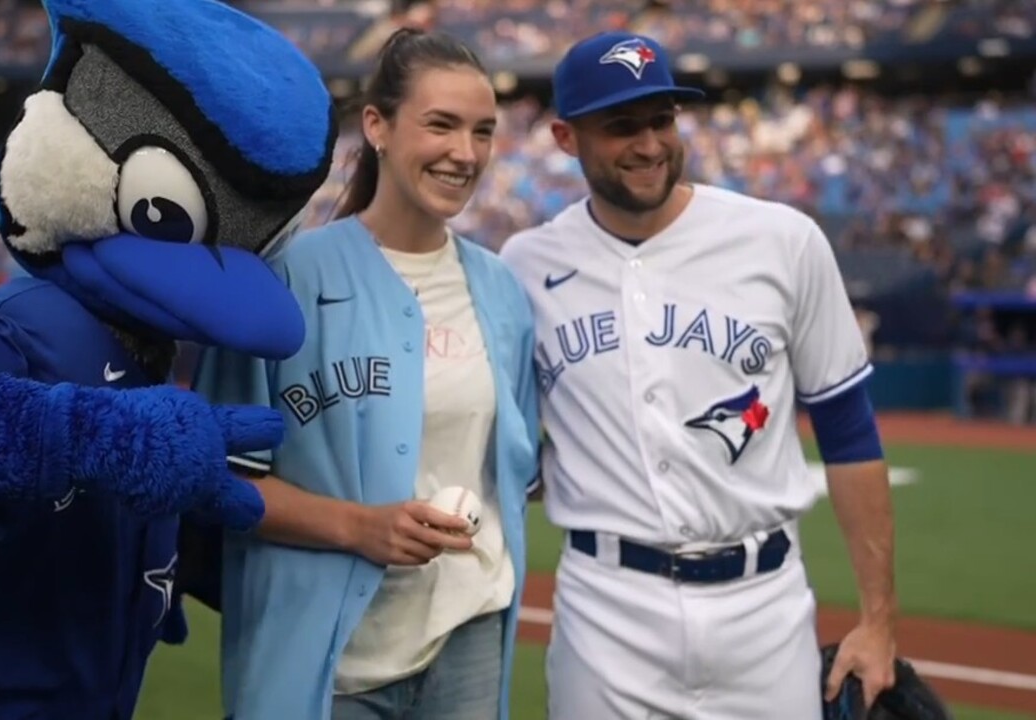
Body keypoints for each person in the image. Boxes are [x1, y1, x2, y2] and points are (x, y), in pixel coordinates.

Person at [497, 31, 899, 720]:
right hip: (606, 608)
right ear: (566, 137)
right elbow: (507, 439)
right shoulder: (525, 263)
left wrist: (879, 620)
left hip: (764, 609)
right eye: (621, 126)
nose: (650, 144)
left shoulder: (782, 240)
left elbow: (849, 430)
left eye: (661, 120)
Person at [191, 27, 541, 720]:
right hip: (328, 655)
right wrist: (358, 526)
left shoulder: (502, 290)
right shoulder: (288, 278)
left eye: (482, 131)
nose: (464, 153)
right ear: (376, 127)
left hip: (466, 633)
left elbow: (512, 480)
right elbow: (214, 477)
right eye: (440, 125)